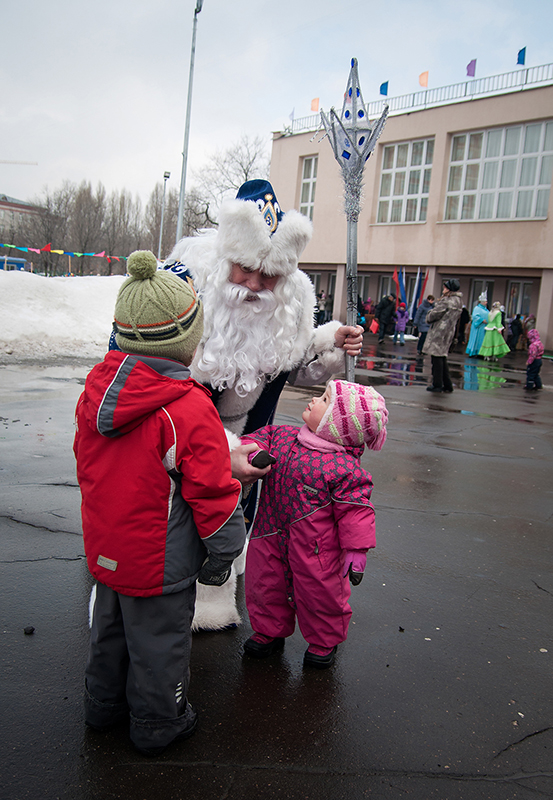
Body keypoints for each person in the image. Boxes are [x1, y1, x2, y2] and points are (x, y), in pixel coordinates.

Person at [160, 179, 364, 630]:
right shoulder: (185, 286)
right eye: (244, 270)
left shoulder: (292, 302)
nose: (253, 286)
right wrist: (214, 448)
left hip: (250, 437)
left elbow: (293, 366)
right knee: (177, 516)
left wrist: (331, 341)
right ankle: (157, 594)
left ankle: (214, 594)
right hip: (183, 434)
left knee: (235, 511)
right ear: (224, 259)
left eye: (267, 276)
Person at [74, 251, 247, 756]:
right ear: (184, 340)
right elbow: (212, 491)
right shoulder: (187, 408)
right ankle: (158, 722)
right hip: (159, 559)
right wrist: (223, 554)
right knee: (158, 646)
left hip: (107, 548)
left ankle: (101, 706)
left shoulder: (97, 390)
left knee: (109, 635)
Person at [241, 380, 388, 669]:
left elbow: (356, 511)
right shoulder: (283, 437)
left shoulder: (345, 469)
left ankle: (324, 639)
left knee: (320, 593)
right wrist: (253, 450)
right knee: (264, 583)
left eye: (324, 400)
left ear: (338, 425)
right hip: (269, 532)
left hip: (316, 549)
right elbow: (259, 436)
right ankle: (268, 631)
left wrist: (357, 550)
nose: (313, 399)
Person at [423, 279, 463, 392]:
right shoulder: (458, 301)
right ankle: (447, 384)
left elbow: (433, 315)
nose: (443, 289)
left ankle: (437, 384)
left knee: (436, 359)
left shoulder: (447, 301)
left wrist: (430, 314)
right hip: (449, 332)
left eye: (445, 287)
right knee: (442, 357)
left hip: (439, 331)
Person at [466, 292, 489, 357]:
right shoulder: (477, 308)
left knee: (482, 340)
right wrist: (481, 320)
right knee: (476, 339)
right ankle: (473, 351)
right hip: (478, 327)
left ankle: (480, 352)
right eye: (485, 301)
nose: (486, 303)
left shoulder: (486, 309)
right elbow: (475, 317)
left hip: (483, 328)